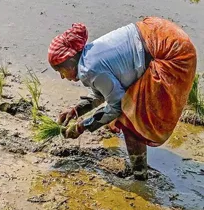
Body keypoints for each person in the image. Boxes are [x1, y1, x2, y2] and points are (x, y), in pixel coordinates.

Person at [48, 18, 197, 180]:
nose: (62, 77)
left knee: (130, 120)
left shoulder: (88, 69)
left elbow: (116, 105)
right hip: (162, 34)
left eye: (60, 71)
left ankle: (140, 177)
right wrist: (76, 110)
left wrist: (82, 127)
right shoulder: (89, 55)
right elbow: (101, 95)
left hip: (173, 54)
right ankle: (140, 171)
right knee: (127, 110)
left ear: (70, 62)